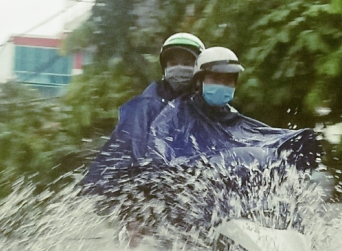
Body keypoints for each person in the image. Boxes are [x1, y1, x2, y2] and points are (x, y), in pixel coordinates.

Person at [147, 46, 319, 172]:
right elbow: (162, 160)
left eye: (228, 80)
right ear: (199, 81)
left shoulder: (232, 117)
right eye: (215, 78)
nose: (222, 85)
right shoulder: (175, 115)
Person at [82, 33, 205, 193]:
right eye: (173, 63)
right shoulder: (145, 107)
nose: (180, 68)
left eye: (187, 63)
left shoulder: (209, 105)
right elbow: (129, 152)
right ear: (165, 68)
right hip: (148, 193)